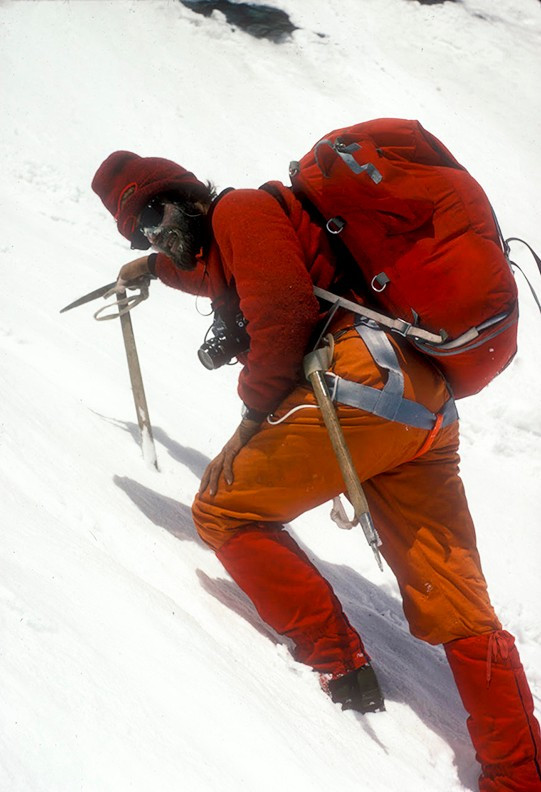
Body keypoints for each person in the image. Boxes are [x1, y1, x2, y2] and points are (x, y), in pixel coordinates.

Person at [92, 150, 541, 791]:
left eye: (157, 216)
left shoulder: (240, 212)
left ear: (187, 194)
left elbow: (281, 319)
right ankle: (521, 776)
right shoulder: (223, 238)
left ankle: (337, 661)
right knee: (459, 602)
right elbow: (205, 271)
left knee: (223, 509)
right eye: (142, 230)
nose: (157, 233)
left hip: (361, 389)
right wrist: (149, 269)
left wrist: (248, 424)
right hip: (421, 404)